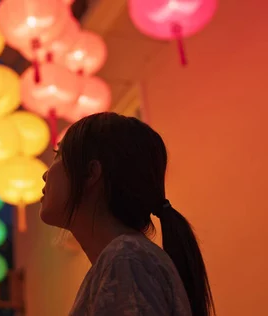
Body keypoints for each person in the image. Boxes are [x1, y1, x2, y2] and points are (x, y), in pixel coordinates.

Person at [40, 113, 215, 316]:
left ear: (91, 174)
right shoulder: (125, 258)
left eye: (57, 155)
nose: (45, 174)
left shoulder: (126, 259)